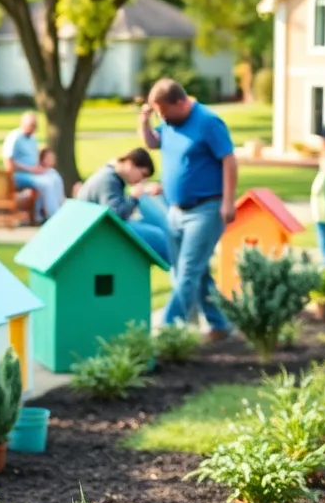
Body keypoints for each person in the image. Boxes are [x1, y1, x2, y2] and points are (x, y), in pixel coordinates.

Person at [140, 78, 238, 341]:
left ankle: (167, 332)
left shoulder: (207, 122)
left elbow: (228, 159)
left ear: (181, 102)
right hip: (175, 210)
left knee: (187, 272)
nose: (163, 118)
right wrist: (145, 121)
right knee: (197, 272)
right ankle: (219, 325)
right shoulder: (172, 122)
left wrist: (228, 201)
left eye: (163, 112)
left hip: (206, 209)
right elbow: (153, 143)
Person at [75, 147, 170, 265]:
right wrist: (134, 197)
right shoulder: (108, 180)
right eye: (143, 174)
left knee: (152, 226)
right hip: (97, 234)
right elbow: (117, 216)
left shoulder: (110, 174)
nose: (141, 180)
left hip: (99, 229)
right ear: (130, 164)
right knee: (157, 236)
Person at [2, 111, 64, 223]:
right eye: (31, 125)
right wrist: (30, 169)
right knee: (46, 183)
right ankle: (53, 216)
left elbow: (34, 160)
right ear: (23, 124)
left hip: (33, 172)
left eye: (35, 125)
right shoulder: (14, 137)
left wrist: (40, 168)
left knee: (54, 175)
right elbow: (9, 161)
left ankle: (58, 207)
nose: (33, 128)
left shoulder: (33, 139)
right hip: (18, 175)